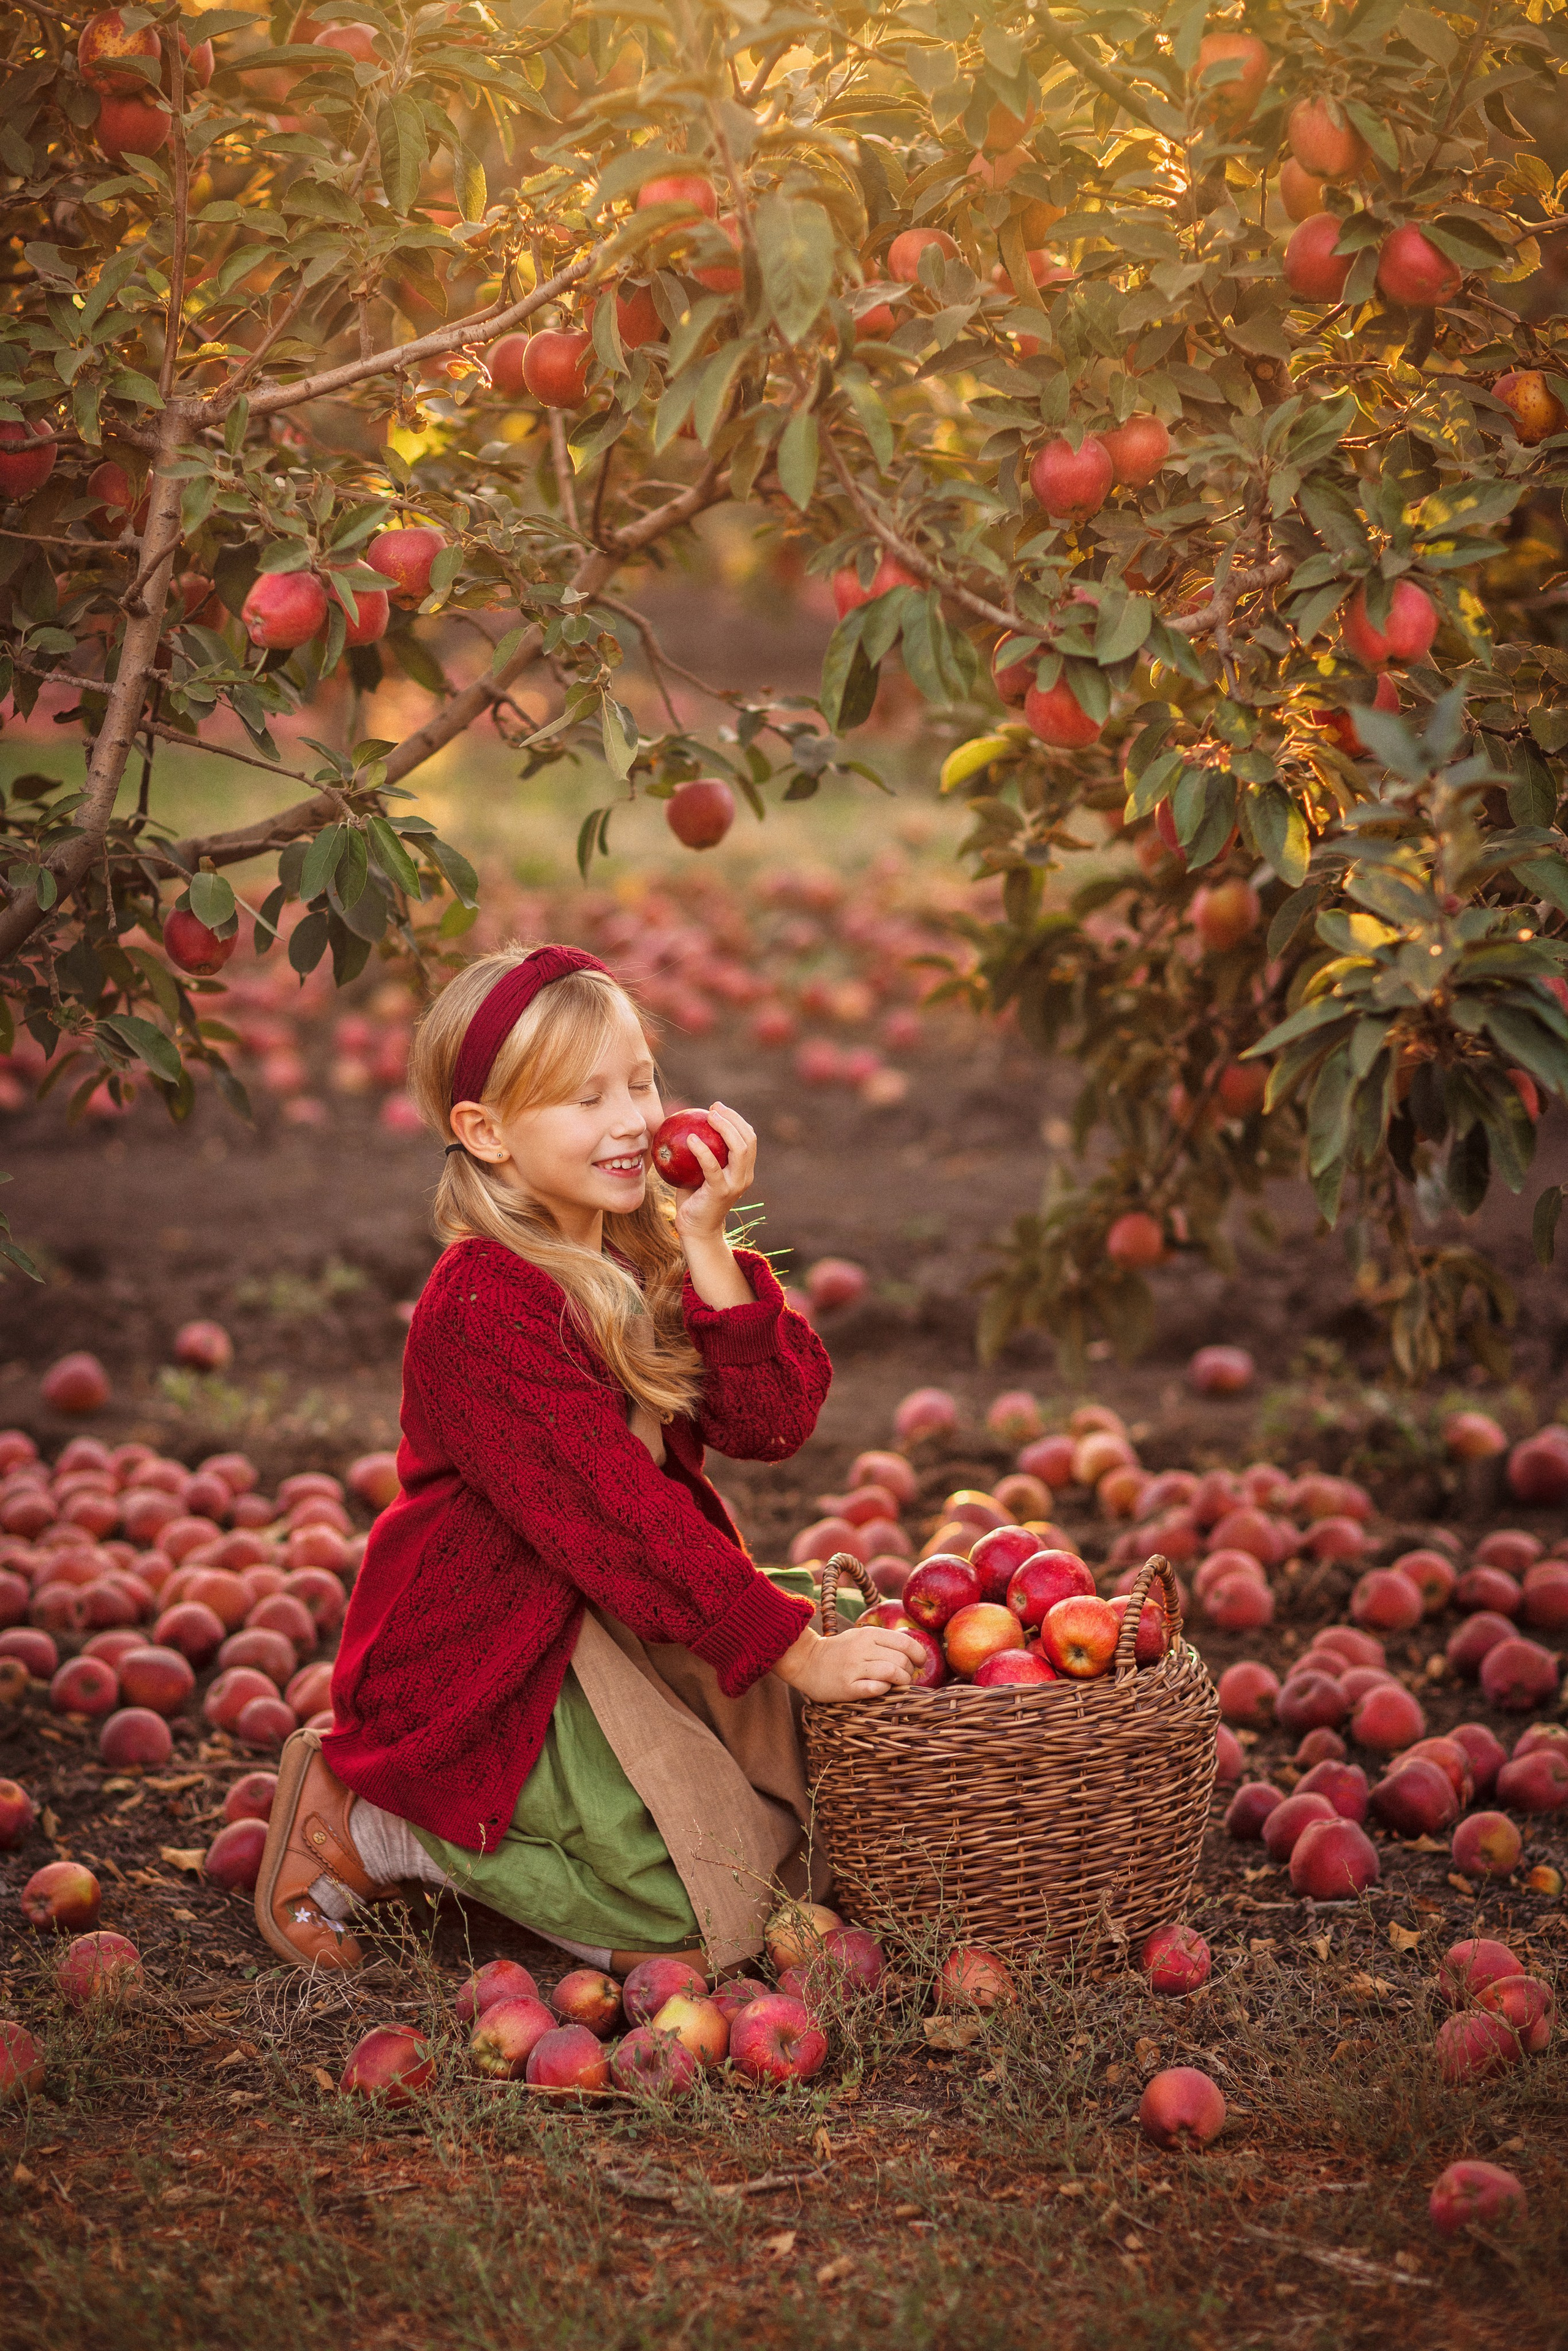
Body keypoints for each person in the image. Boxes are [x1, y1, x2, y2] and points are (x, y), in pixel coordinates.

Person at [255, 942, 925, 1977]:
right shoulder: (482, 1303)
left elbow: (773, 1424)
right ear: (487, 1133)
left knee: (819, 1799)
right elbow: (621, 1516)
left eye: (642, 1080)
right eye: (584, 1099)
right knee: (699, 1917)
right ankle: (379, 1821)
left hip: (630, 1603)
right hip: (498, 1652)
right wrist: (792, 1651)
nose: (633, 1120)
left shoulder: (642, 1251)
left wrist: (706, 1243)